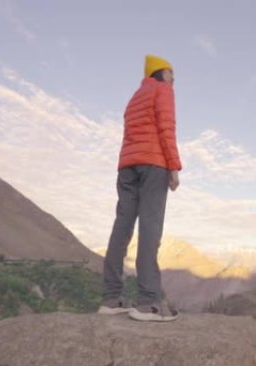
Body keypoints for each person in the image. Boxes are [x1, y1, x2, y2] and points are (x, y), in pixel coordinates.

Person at [98, 54, 182, 322]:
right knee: (150, 227)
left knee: (122, 225)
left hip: (127, 166)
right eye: (171, 73)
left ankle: (112, 298)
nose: (174, 79)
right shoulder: (163, 91)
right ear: (160, 73)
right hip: (153, 165)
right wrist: (173, 166)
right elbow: (167, 129)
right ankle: (149, 302)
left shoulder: (135, 97)